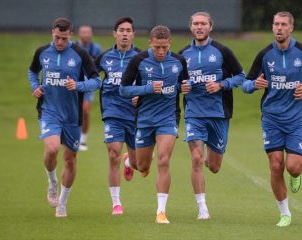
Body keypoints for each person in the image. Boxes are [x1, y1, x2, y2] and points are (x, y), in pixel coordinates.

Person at [242, 11, 302, 227]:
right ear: (272, 28)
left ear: (291, 28)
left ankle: (296, 174)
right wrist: (254, 85)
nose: (279, 28)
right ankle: (285, 213)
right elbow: (245, 84)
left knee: (293, 167)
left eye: (283, 24)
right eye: (276, 24)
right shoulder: (264, 55)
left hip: (297, 119)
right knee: (275, 165)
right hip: (271, 119)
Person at [27, 18, 101, 217]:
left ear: (70, 34)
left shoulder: (79, 54)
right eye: (56, 37)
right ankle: (52, 183)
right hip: (49, 110)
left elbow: (96, 81)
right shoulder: (42, 52)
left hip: (72, 116)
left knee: (70, 159)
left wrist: (78, 86)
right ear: (52, 32)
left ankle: (62, 203)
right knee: (51, 148)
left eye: (63, 38)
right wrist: (35, 87)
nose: (59, 42)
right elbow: (33, 72)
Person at [119, 25, 190, 224]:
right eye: (157, 47)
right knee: (141, 166)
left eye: (165, 47)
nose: (161, 51)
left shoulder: (178, 61)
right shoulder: (138, 60)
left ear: (170, 45)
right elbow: (123, 90)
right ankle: (129, 161)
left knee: (164, 159)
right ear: (150, 43)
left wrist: (186, 87)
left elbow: (184, 84)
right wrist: (147, 89)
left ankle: (161, 212)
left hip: (168, 117)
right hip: (144, 118)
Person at [178, 12, 245, 220]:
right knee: (196, 159)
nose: (199, 27)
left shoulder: (222, 51)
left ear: (210, 27)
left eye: (203, 24)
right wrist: (182, 87)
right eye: (196, 23)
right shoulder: (182, 55)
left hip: (218, 114)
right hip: (194, 114)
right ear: (191, 27)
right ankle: (202, 208)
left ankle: (210, 153)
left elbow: (241, 77)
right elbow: (175, 83)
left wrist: (221, 85)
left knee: (214, 166)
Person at [94, 17, 140, 215]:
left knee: (141, 164)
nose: (124, 33)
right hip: (112, 112)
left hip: (136, 114)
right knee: (113, 154)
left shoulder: (141, 57)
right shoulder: (104, 58)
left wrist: (141, 94)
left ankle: (130, 162)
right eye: (121, 30)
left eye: (128, 30)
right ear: (114, 33)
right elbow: (90, 75)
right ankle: (116, 203)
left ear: (133, 34)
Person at [75, 25, 102, 151]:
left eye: (88, 32)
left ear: (91, 34)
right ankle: (71, 137)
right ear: (79, 33)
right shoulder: (73, 47)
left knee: (85, 111)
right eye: (83, 32)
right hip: (73, 83)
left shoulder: (96, 49)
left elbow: (98, 67)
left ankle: (83, 140)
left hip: (88, 84)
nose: (85, 35)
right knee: (72, 111)